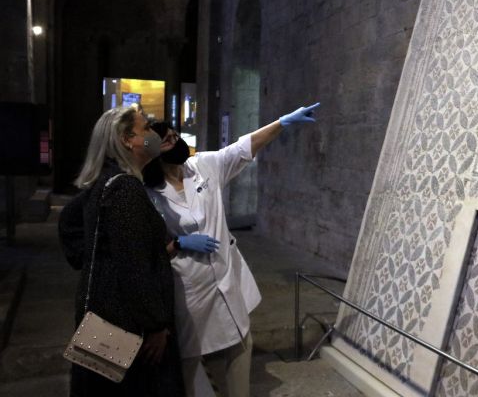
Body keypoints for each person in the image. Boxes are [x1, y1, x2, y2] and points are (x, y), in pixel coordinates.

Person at [142, 103, 320, 397]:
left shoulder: (203, 167)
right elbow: (148, 251)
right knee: (187, 362)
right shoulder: (149, 194)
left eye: (176, 135)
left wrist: (282, 122)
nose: (176, 142)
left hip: (224, 279)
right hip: (188, 290)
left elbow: (241, 148)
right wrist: (180, 243)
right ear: (153, 153)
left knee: (240, 344)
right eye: (168, 140)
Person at [58, 106, 184, 396]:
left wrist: (95, 256)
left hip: (116, 318)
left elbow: (70, 223)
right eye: (147, 128)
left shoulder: (108, 181)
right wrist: (156, 324)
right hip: (130, 330)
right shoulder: (124, 189)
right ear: (128, 139)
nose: (154, 134)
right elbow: (133, 269)